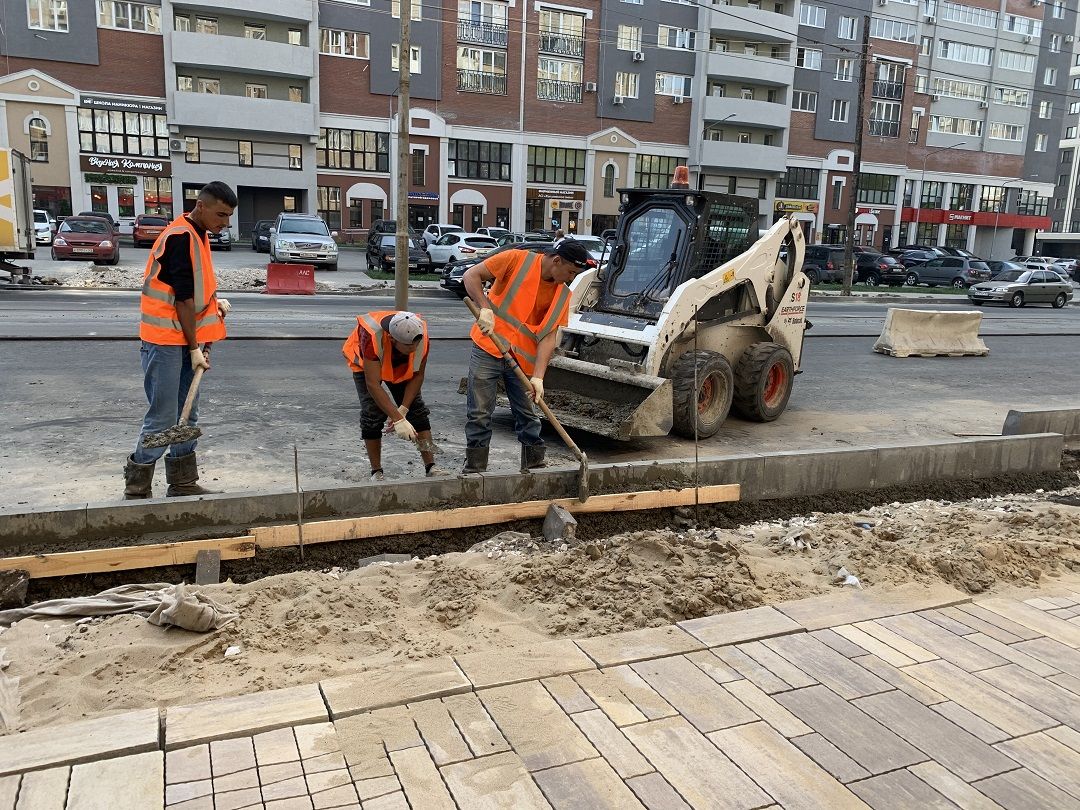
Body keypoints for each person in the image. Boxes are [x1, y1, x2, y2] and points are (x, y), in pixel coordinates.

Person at [124, 181, 237, 499]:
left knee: (189, 414)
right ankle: (137, 484)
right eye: (221, 215)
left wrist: (214, 304)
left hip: (185, 337)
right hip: (165, 341)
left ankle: (182, 481)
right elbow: (183, 300)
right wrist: (193, 349)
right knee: (163, 417)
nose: (225, 223)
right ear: (201, 206)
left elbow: (193, 291)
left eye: (228, 217)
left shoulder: (198, 234)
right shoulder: (179, 236)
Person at [461, 240, 594, 473]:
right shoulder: (515, 260)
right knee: (480, 412)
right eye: (571, 272)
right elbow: (471, 275)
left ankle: (534, 464)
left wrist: (539, 378)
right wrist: (484, 307)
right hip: (488, 346)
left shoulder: (562, 295)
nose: (571, 278)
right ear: (556, 261)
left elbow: (548, 337)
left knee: (528, 414)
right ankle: (475, 467)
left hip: (521, 361)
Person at [342, 310, 446, 480]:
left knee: (416, 410)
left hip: (398, 365)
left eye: (415, 345)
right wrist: (397, 419)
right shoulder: (372, 337)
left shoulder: (419, 334)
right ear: (392, 338)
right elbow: (373, 384)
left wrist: (403, 409)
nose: (413, 350)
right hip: (366, 365)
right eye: (408, 347)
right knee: (372, 414)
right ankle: (377, 472)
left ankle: (431, 467)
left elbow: (418, 375)